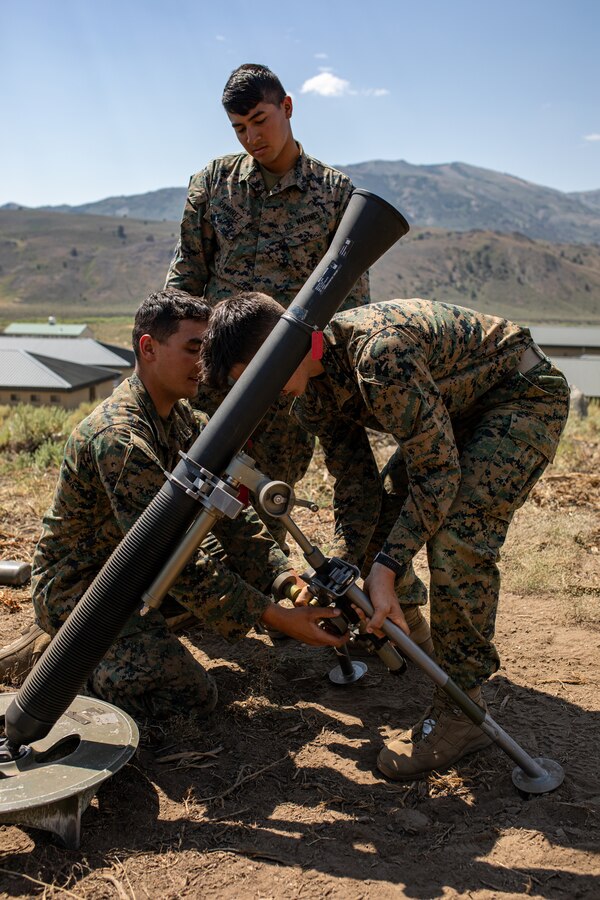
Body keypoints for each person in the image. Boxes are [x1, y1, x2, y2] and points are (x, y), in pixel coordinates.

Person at [198, 291, 570, 778]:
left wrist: (386, 569)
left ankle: (464, 712)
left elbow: (438, 472)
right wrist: (343, 567)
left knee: (456, 537)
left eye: (255, 380)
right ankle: (405, 627)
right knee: (388, 514)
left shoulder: (379, 356)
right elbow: (358, 487)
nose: (260, 397)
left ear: (281, 350)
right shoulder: (310, 387)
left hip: (519, 396)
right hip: (452, 412)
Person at [0, 290, 347, 720]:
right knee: (189, 697)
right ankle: (68, 668)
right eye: (191, 348)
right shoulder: (120, 440)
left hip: (141, 577)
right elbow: (172, 556)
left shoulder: (189, 424)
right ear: (148, 348)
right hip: (85, 588)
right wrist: (273, 617)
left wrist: (284, 584)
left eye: (206, 349)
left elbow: (235, 527)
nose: (202, 363)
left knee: (223, 580)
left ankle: (111, 645)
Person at [165, 63, 370, 545]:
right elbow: (187, 276)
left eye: (260, 120)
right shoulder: (212, 184)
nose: (252, 137)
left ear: (287, 108)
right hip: (216, 369)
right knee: (195, 485)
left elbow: (350, 297)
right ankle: (201, 595)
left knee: (268, 495)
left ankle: (269, 595)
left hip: (286, 376)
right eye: (239, 128)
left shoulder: (334, 193)